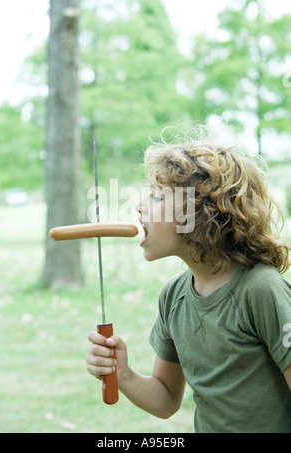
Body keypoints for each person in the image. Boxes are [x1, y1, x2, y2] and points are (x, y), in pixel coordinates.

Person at [86, 125, 291, 433]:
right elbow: (166, 399)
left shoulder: (261, 289)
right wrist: (123, 373)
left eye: (155, 197)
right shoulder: (173, 296)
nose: (139, 207)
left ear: (200, 211)